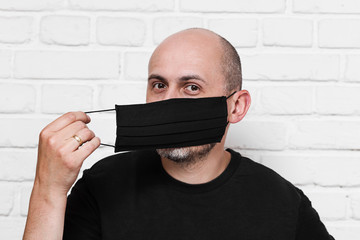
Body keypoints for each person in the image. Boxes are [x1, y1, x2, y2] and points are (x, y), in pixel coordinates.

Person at [23, 28, 335, 240]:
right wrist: (48, 191)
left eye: (191, 87)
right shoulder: (102, 184)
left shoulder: (281, 202)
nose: (169, 102)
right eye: (159, 85)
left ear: (236, 107)